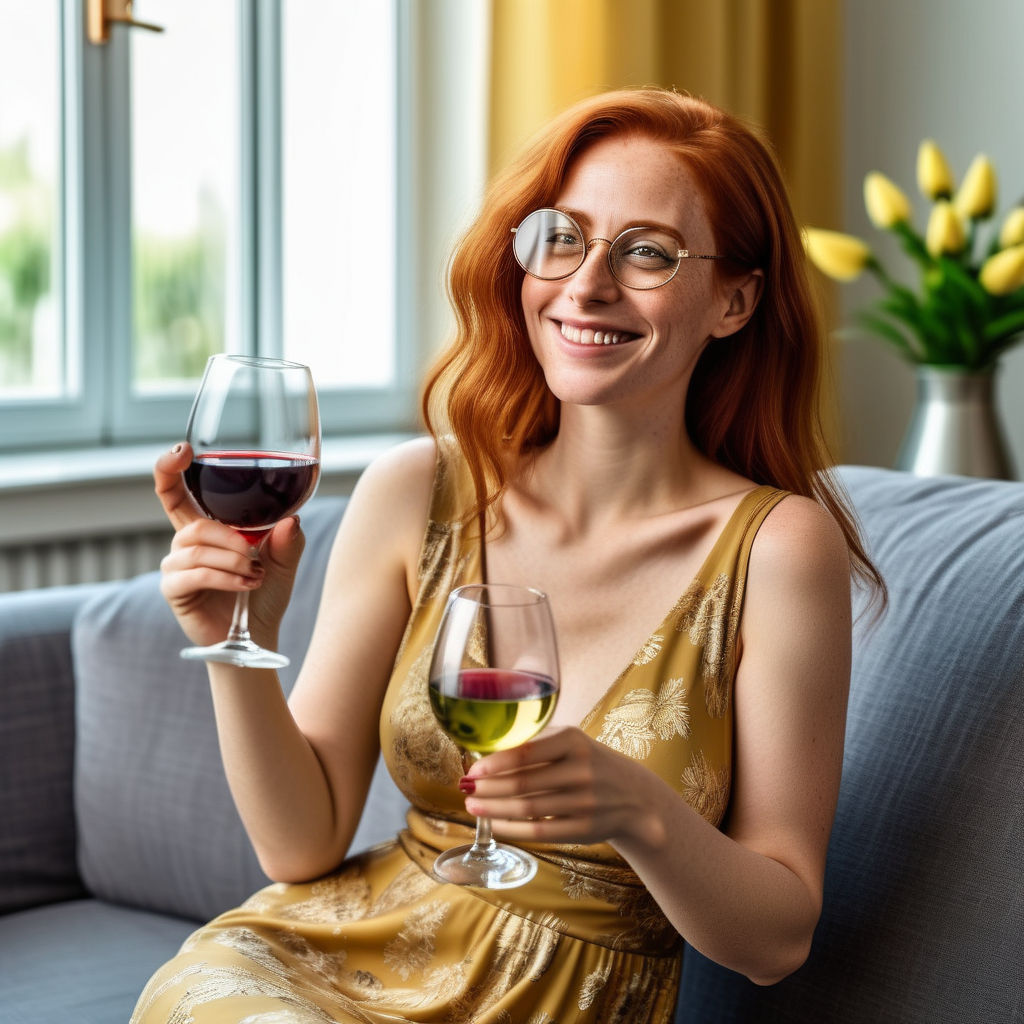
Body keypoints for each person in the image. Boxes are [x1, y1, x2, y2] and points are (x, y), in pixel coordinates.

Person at [133, 87, 883, 1023]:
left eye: (647, 252)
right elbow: (299, 846)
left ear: (734, 300)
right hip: (316, 964)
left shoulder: (777, 549)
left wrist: (638, 812)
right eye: (560, 235)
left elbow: (777, 941)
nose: (587, 283)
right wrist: (240, 640)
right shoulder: (418, 493)